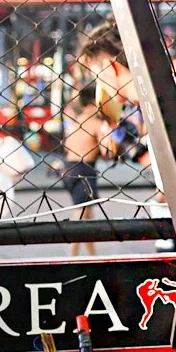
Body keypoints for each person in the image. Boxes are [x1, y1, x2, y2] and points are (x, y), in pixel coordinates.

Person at [76, 24, 176, 203]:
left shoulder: (171, 101)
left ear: (109, 68)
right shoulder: (164, 97)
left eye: (97, 75)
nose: (100, 85)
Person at [62, 87, 106, 257]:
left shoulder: (77, 122)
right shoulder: (96, 123)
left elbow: (67, 147)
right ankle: (71, 258)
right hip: (85, 170)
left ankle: (93, 257)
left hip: (70, 168)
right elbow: (107, 151)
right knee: (80, 216)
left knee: (87, 215)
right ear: (96, 102)